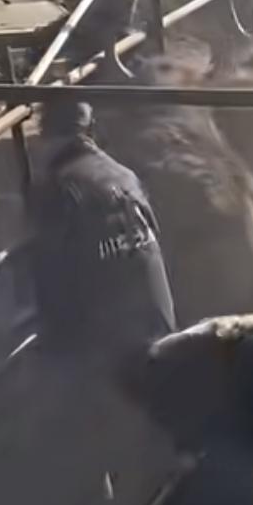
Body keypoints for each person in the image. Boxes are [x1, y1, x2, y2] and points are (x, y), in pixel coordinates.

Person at [25, 92, 175, 375]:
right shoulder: (126, 175)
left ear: (44, 134)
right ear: (91, 129)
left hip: (110, 356)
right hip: (161, 333)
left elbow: (50, 281)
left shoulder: (58, 186)